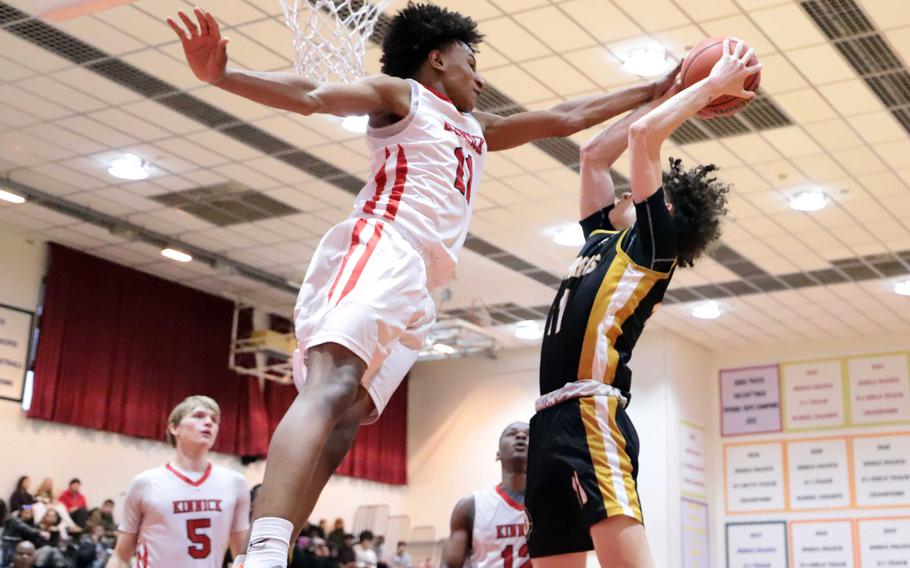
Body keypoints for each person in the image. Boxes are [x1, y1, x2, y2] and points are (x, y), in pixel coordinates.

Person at [166, 4, 676, 565]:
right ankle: (261, 552)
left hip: (422, 284)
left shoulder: (477, 129)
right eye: (472, 61)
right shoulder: (403, 96)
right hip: (383, 244)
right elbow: (311, 93)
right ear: (437, 58)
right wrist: (222, 76)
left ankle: (277, 546)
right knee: (331, 387)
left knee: (348, 417)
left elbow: (564, 116)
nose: (480, 77)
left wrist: (657, 88)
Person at [525, 40, 758, 568]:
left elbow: (641, 138)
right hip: (547, 421)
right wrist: (669, 90)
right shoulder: (601, 240)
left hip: (592, 413)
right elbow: (592, 155)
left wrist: (704, 90)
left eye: (649, 190)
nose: (631, 191)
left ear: (665, 210)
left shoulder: (653, 248)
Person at [105, 395, 251, 567]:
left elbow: (242, 558)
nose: (209, 423)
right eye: (198, 416)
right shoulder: (145, 482)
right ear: (174, 428)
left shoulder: (235, 483)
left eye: (214, 419)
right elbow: (121, 556)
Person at [442, 422, 529, 568]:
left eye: (528, 435)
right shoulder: (470, 506)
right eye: (512, 434)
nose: (520, 436)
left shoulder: (552, 505)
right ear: (498, 455)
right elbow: (449, 564)